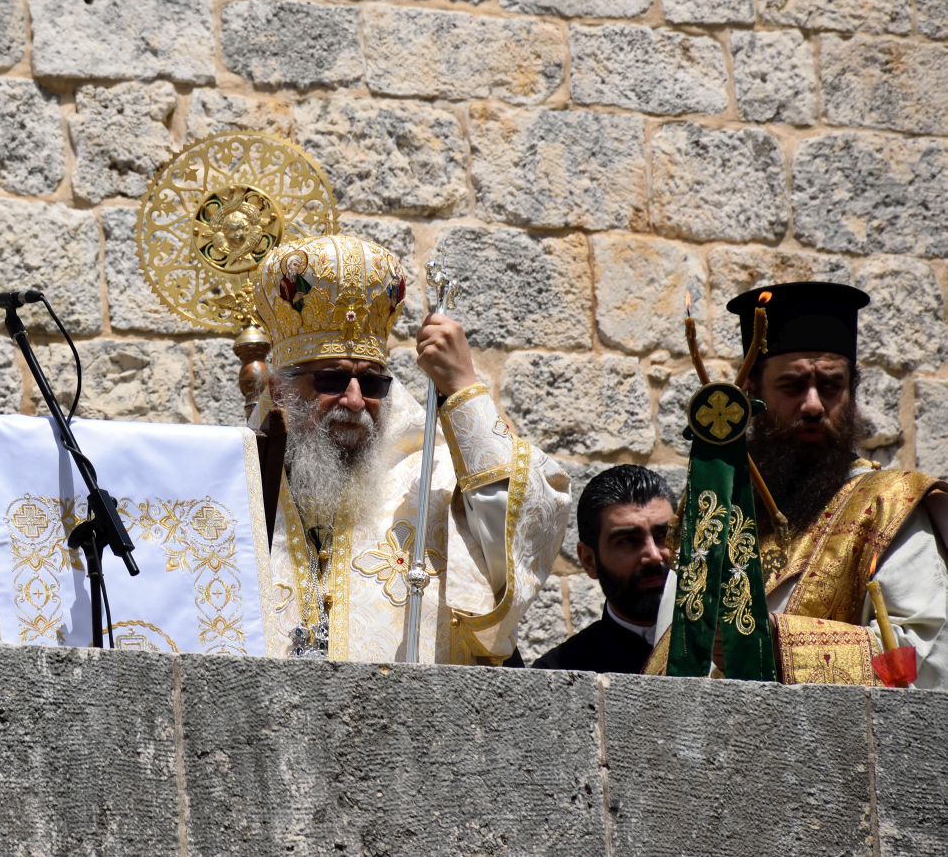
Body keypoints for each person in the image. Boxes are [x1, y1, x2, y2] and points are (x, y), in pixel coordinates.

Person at [250, 234, 571, 663]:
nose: (354, 400)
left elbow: (533, 525)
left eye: (372, 382)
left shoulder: (432, 483)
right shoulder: (241, 488)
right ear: (279, 388)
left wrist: (463, 387)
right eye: (330, 379)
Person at [649, 282, 948, 687]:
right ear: (750, 393)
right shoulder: (714, 515)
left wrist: (782, 644)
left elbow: (925, 665)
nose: (813, 405)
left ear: (852, 391)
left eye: (830, 386)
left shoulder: (889, 507)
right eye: (792, 386)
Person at [532, 466, 676, 674]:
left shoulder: (723, 650)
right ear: (589, 561)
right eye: (628, 541)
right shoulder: (559, 673)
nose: (654, 555)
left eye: (665, 536)